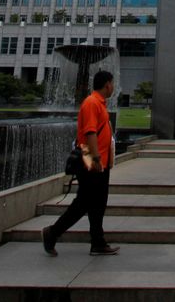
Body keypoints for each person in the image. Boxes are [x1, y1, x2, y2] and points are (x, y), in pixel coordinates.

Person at [42, 70, 120, 256]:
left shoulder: (99, 103)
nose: (113, 87)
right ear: (107, 84)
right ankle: (52, 233)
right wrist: (95, 158)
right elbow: (90, 132)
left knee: (97, 203)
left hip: (98, 160)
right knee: (84, 202)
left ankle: (97, 242)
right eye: (112, 83)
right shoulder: (92, 103)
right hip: (91, 158)